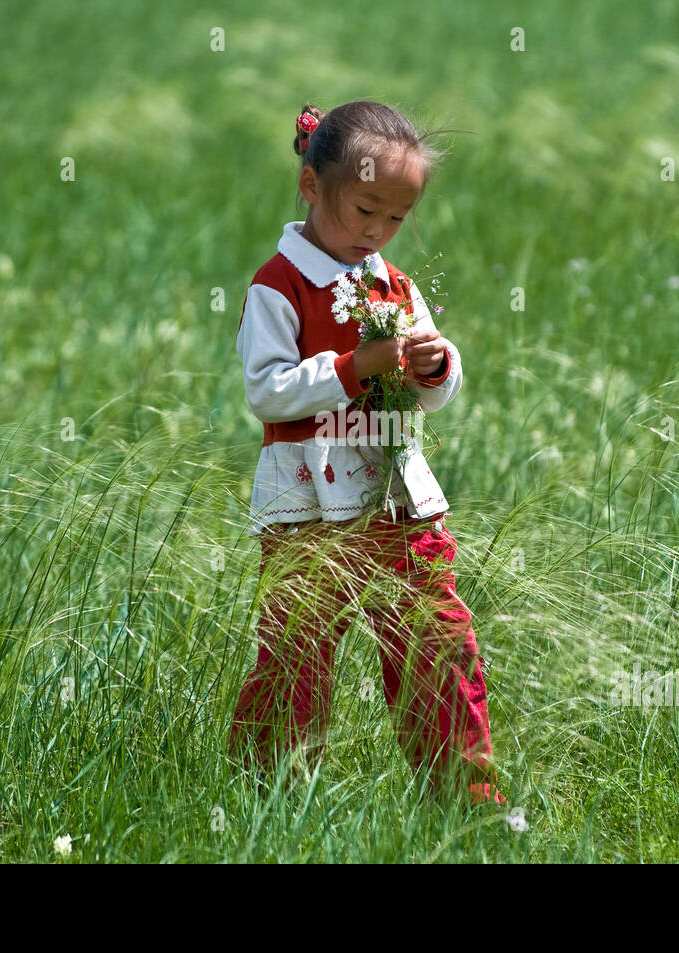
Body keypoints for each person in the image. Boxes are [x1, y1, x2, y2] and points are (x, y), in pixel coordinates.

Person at [229, 100, 506, 807]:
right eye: (364, 210)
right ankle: (269, 799)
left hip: (397, 500)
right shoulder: (277, 287)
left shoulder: (396, 286)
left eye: (397, 218)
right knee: (297, 654)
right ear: (313, 187)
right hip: (307, 509)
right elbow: (268, 391)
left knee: (436, 644)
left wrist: (434, 369)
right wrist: (355, 366)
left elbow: (430, 389)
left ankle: (464, 800)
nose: (378, 231)